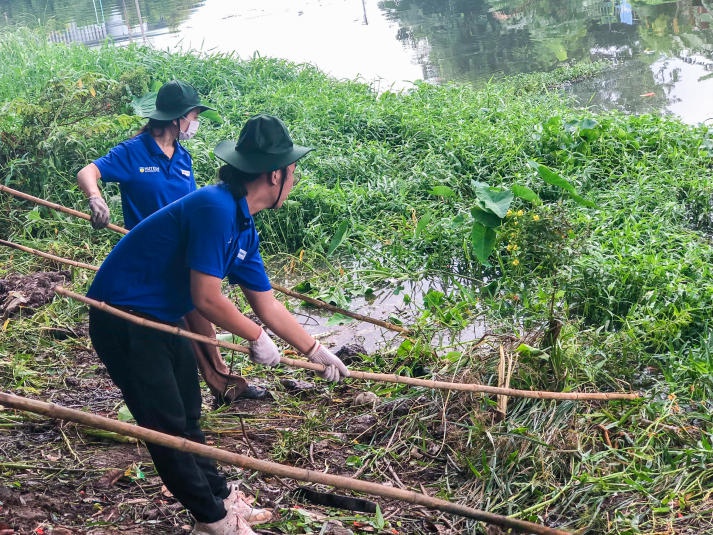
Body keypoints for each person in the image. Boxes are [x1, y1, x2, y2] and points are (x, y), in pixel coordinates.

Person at [86, 114, 350, 535]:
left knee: (189, 415)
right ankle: (212, 521)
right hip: (123, 317)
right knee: (166, 427)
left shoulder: (244, 225)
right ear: (275, 175)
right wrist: (255, 338)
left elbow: (266, 305)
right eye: (293, 172)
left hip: (160, 317)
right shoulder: (214, 207)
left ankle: (221, 498)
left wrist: (314, 351)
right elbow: (206, 297)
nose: (294, 180)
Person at [77, 79, 266, 403]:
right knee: (190, 316)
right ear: (177, 117)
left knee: (201, 319)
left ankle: (221, 383)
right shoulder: (133, 151)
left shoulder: (183, 159)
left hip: (183, 252)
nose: (195, 123)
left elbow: (193, 205)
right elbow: (88, 172)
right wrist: (97, 199)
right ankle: (215, 384)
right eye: (194, 115)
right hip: (151, 257)